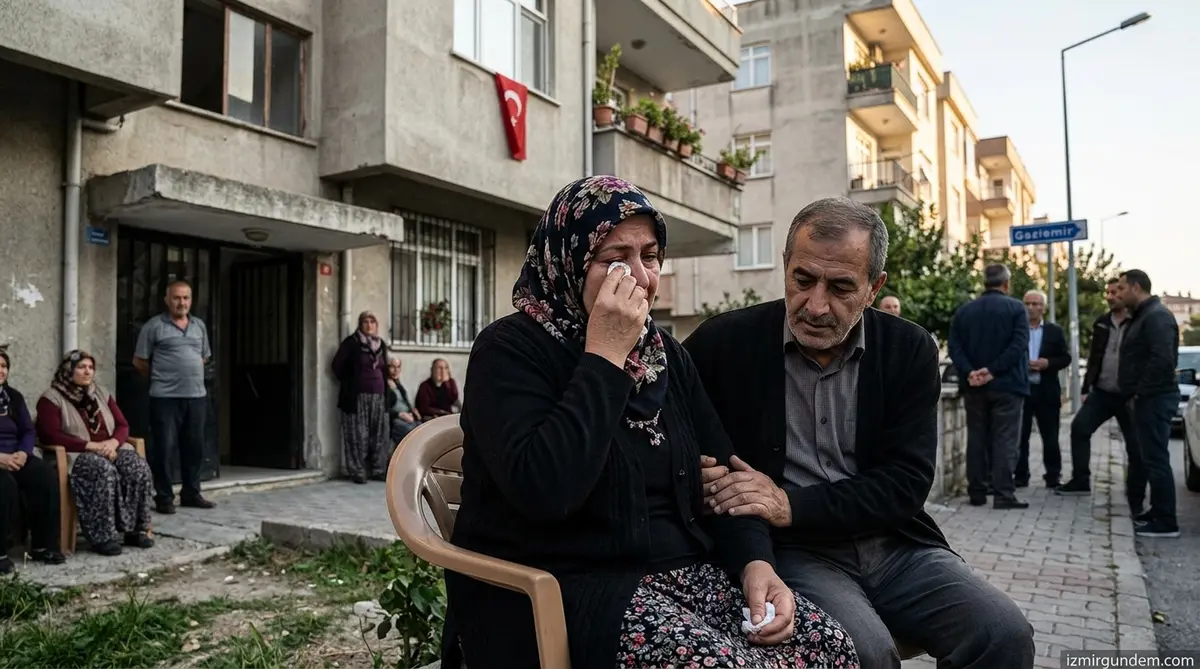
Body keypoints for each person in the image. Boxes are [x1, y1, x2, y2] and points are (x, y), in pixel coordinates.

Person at [443, 177, 859, 669]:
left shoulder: (665, 356)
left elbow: (730, 478)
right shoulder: (510, 351)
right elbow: (546, 490)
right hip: (569, 584)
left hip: (684, 575)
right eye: (614, 258)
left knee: (829, 646)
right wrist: (604, 355)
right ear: (567, 262)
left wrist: (755, 564)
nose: (639, 277)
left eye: (651, 256)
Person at [686, 197, 1034, 669]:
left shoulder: (908, 350)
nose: (815, 305)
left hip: (895, 545)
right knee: (863, 650)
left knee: (1002, 633)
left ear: (875, 287)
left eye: (841, 287)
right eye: (803, 280)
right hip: (794, 554)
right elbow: (690, 449)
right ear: (785, 265)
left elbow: (906, 484)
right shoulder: (722, 345)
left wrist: (788, 503)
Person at [35, 350, 155, 556]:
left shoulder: (100, 393)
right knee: (103, 471)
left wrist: (112, 442)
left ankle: (136, 529)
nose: (87, 372)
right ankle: (102, 536)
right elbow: (50, 435)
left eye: (90, 367)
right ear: (68, 370)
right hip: (76, 455)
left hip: (110, 448)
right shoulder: (51, 398)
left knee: (137, 467)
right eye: (81, 367)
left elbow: (122, 425)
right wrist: (90, 446)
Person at [948, 264, 1030, 509]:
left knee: (976, 437)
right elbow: (1018, 345)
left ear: (984, 283)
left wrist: (971, 371)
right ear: (1006, 284)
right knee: (1005, 439)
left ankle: (977, 492)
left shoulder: (964, 311)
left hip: (973, 386)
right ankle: (1004, 494)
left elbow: (954, 347)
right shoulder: (1016, 308)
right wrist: (992, 371)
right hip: (1007, 385)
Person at [133, 279, 215, 513]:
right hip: (165, 398)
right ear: (167, 300)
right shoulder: (154, 326)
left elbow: (204, 357)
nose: (182, 302)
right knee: (163, 448)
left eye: (186, 298)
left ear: (191, 300)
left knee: (195, 447)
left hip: (196, 397)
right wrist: (163, 377)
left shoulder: (199, 326)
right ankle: (165, 498)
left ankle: (191, 493)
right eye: (177, 298)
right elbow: (139, 361)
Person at [1114, 269, 1180, 538]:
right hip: (1147, 398)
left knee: (1156, 459)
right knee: (1149, 458)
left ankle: (1166, 521)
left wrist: (1140, 392)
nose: (1118, 293)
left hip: (1155, 398)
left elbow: (1163, 360)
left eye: (1121, 288)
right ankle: (1156, 511)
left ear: (1135, 287)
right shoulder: (1144, 316)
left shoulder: (1157, 316)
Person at [1060, 278, 1140, 499]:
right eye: (1108, 293)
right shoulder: (1102, 322)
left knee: (1135, 444)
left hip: (1128, 395)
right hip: (1103, 392)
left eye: (1115, 292)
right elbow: (1095, 357)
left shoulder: (1137, 322)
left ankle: (1135, 492)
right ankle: (1081, 479)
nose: (1110, 297)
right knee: (1079, 429)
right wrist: (1086, 388)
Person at [0, 347, 65, 573]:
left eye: (4, 366)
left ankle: (43, 546)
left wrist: (23, 452)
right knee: (4, 485)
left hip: (16, 456)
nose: (1, 371)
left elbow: (28, 430)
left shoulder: (13, 397)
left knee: (44, 476)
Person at [1015, 290, 1070, 489]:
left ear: (1043, 307)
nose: (1031, 308)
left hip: (1047, 391)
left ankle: (1053, 475)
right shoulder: (1017, 329)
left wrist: (1048, 363)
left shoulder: (1054, 331)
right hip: (1023, 389)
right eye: (1027, 303)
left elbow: (1066, 358)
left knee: (1051, 436)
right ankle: (1020, 475)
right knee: (1021, 436)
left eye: (1035, 304)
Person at [332, 311, 391, 484]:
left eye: (372, 321)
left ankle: (378, 469)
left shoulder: (381, 345)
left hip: (379, 396)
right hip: (357, 398)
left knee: (379, 434)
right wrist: (350, 383)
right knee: (358, 434)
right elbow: (337, 366)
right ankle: (357, 471)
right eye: (365, 321)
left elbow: (384, 368)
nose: (369, 325)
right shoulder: (351, 343)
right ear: (360, 324)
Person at [385, 357, 419, 446]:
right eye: (392, 367)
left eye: (398, 367)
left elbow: (405, 402)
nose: (396, 370)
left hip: (407, 416)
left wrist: (413, 412)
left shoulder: (398, 384)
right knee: (412, 434)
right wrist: (400, 414)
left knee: (422, 429)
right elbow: (384, 409)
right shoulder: (384, 386)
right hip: (396, 420)